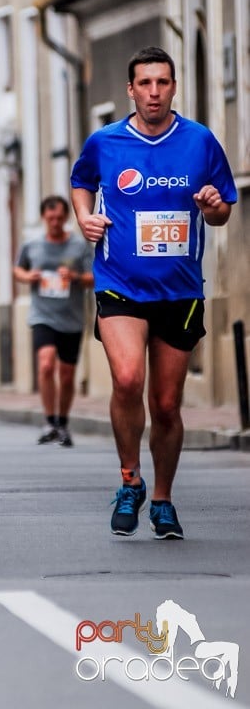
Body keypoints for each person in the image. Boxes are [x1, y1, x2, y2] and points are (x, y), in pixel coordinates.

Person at [70, 46, 236, 539]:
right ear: (130, 89)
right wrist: (85, 218)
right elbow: (81, 182)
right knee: (126, 379)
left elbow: (225, 205)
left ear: (174, 87)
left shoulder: (200, 141)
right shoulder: (106, 141)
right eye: (145, 83)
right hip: (119, 282)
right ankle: (129, 479)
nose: (154, 93)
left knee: (166, 404)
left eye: (163, 83)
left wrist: (212, 207)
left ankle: (161, 497)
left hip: (180, 289)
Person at [13, 195, 94, 447]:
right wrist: (28, 277)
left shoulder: (79, 246)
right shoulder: (32, 245)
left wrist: (75, 276)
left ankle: (62, 422)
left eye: (60, 217)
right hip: (43, 315)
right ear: (43, 218)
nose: (56, 222)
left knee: (67, 375)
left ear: (66, 217)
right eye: (51, 218)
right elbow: (17, 269)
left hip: (71, 317)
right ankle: (48, 420)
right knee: (46, 364)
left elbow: (94, 277)